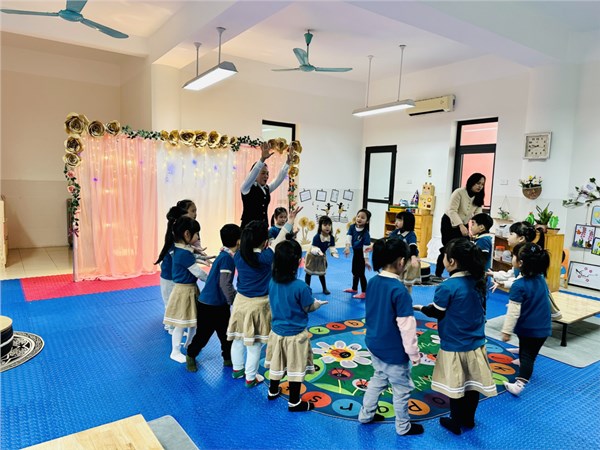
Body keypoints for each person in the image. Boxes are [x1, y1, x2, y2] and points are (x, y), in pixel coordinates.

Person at [415, 239, 497, 435]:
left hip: (455, 344)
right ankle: (469, 419)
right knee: (472, 385)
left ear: (451, 261)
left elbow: (437, 311)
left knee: (457, 385)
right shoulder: (478, 280)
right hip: (476, 343)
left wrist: (421, 308)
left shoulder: (448, 286)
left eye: (444, 256)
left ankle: (455, 421)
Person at [226, 207, 302, 388]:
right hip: (259, 305)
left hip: (239, 303)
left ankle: (237, 370)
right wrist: (290, 220)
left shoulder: (238, 255)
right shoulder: (267, 257)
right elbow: (281, 237)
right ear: (265, 241)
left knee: (238, 339)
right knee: (255, 345)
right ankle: (250, 378)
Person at [358, 238, 424, 436]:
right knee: (402, 389)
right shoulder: (400, 290)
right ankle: (403, 426)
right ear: (401, 262)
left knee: (378, 377)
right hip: (393, 351)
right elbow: (407, 328)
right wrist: (414, 354)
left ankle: (365, 415)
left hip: (374, 343)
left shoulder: (372, 282)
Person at [265, 239, 328, 411]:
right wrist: (317, 304)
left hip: (276, 333)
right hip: (296, 336)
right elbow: (308, 307)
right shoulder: (301, 287)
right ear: (299, 262)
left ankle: (272, 390)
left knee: (277, 362)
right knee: (295, 367)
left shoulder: (272, 282)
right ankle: (294, 402)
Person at [186, 224, 241, 373]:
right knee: (203, 336)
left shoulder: (225, 254)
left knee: (226, 334)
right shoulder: (226, 259)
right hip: (209, 305)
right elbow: (225, 283)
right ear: (238, 241)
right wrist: (234, 300)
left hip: (219, 304)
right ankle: (190, 355)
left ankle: (228, 358)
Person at [500, 243, 551, 396]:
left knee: (528, 356)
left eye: (514, 256)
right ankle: (522, 358)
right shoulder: (541, 279)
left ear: (520, 263)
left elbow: (513, 312)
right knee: (530, 350)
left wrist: (506, 331)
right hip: (543, 326)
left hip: (530, 328)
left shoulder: (519, 285)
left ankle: (519, 384)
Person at [163, 216, 208, 363]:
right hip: (184, 291)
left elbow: (191, 259)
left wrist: (202, 258)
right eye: (197, 234)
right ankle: (175, 351)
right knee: (181, 324)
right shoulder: (183, 253)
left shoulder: (181, 249)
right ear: (187, 234)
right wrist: (212, 280)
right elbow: (198, 273)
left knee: (193, 321)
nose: (198, 238)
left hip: (190, 289)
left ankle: (189, 344)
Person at [434, 173, 486, 279]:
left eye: (482, 184)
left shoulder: (479, 196)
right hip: (449, 222)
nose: (480, 186)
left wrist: (478, 229)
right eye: (478, 183)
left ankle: (460, 273)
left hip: (463, 224)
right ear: (471, 182)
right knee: (448, 248)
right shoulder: (459, 192)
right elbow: (452, 210)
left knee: (465, 248)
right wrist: (461, 226)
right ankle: (438, 273)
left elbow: (478, 215)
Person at [240, 142, 291, 229]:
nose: (266, 176)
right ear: (255, 175)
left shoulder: (266, 189)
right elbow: (253, 173)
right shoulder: (246, 188)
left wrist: (287, 163)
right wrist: (262, 159)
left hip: (263, 228)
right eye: (263, 173)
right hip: (249, 230)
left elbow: (278, 179)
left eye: (267, 173)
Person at [155, 205, 188, 332]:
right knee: (170, 303)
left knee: (175, 302)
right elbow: (177, 258)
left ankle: (174, 325)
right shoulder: (173, 239)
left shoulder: (178, 238)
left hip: (175, 276)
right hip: (169, 276)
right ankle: (170, 326)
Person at [489, 221, 545, 291]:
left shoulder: (526, 256)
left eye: (511, 234)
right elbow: (512, 274)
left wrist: (504, 283)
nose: (508, 237)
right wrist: (494, 274)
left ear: (521, 238)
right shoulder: (520, 252)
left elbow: (522, 281)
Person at [304, 215, 339, 295]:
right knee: (309, 273)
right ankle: (307, 289)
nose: (327, 227)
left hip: (322, 256)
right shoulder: (317, 237)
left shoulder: (331, 238)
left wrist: (333, 253)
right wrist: (318, 252)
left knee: (322, 273)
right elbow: (314, 248)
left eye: (329, 225)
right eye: (325, 225)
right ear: (320, 226)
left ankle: (324, 288)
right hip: (312, 256)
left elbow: (332, 247)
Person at [388, 211, 421, 293]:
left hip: (410, 258)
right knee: (398, 278)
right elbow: (388, 241)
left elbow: (413, 247)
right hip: (400, 258)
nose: (396, 222)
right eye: (396, 220)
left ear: (407, 222)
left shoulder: (411, 234)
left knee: (408, 282)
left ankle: (407, 297)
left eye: (399, 220)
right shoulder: (396, 232)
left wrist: (413, 257)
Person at [343, 209, 372, 299]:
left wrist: (366, 260)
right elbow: (348, 237)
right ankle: (354, 288)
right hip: (355, 253)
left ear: (367, 221)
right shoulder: (352, 227)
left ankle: (364, 292)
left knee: (361, 274)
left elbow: (366, 248)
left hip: (361, 254)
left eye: (362, 218)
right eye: (358, 216)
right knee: (354, 272)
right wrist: (347, 247)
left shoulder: (366, 233)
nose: (359, 219)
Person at [177, 199, 215, 265]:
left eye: (195, 211)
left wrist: (203, 255)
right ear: (183, 212)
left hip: (188, 258)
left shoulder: (194, 225)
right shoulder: (176, 227)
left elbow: (197, 244)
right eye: (193, 211)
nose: (195, 214)